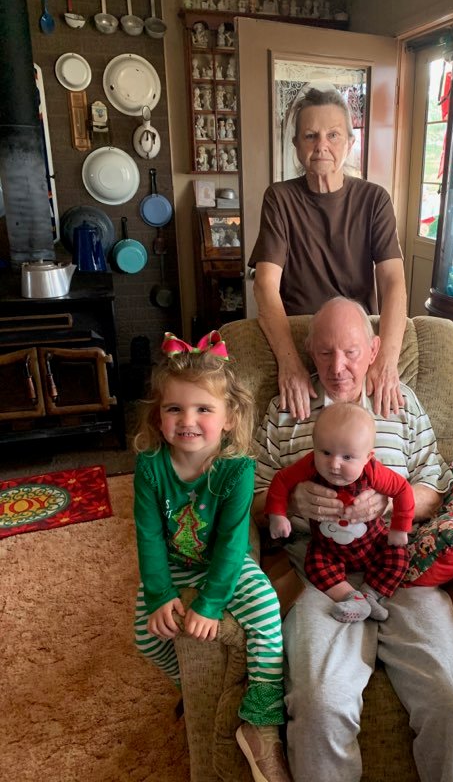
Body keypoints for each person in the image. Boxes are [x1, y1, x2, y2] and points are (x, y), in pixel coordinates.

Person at [252, 297, 453, 782]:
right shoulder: (286, 409)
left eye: (350, 352)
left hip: (402, 570)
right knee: (320, 705)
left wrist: (390, 503)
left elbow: (437, 491)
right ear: (309, 351)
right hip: (320, 574)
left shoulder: (400, 402)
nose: (337, 367)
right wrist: (291, 501)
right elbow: (253, 501)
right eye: (324, 353)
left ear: (374, 350)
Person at [132, 330, 291, 782]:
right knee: (145, 636)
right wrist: (160, 594)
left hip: (224, 564)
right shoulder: (150, 467)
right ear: (158, 415)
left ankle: (261, 718)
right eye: (174, 409)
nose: (188, 420)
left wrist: (209, 603)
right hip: (173, 563)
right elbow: (148, 536)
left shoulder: (237, 469)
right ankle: (188, 686)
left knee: (266, 607)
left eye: (203, 409)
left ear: (228, 417)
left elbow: (233, 541)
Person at [249, 85, 407, 421]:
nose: (321, 145)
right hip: (304, 337)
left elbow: (393, 282)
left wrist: (386, 361)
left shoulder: (375, 199)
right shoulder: (279, 199)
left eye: (333, 135)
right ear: (296, 145)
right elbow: (265, 285)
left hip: (357, 343)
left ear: (350, 142)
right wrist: (290, 363)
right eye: (310, 136)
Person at [266, 401, 414, 622]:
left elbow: (402, 489)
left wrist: (399, 528)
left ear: (368, 457)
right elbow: (281, 481)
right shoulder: (309, 465)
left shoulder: (374, 471)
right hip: (327, 549)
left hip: (372, 543)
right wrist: (278, 514)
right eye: (326, 452)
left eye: (347, 457)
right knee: (314, 564)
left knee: (399, 554)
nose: (334, 464)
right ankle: (352, 598)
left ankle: (371, 594)